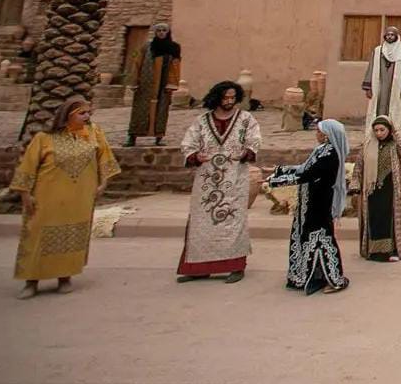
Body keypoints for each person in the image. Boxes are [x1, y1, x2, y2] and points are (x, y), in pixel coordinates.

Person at [10, 97, 120, 299]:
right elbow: (27, 166)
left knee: (73, 236)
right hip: (47, 197)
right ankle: (31, 282)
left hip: (80, 198)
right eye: (82, 113)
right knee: (37, 235)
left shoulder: (93, 134)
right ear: (68, 115)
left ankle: (64, 277)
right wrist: (25, 194)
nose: (87, 117)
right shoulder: (45, 138)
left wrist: (103, 183)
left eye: (88, 113)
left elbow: (105, 158)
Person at [175, 81, 260, 283]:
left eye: (232, 97)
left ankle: (235, 266)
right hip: (207, 180)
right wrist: (195, 156)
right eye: (225, 98)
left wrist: (246, 152)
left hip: (234, 178)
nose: (229, 101)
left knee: (232, 222)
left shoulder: (246, 119)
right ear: (217, 98)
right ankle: (199, 267)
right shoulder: (202, 121)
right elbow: (188, 143)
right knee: (201, 223)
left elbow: (254, 140)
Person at [264, 119, 350, 295]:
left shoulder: (330, 154)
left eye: (319, 131)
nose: (316, 134)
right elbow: (303, 169)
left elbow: (308, 175)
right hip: (309, 201)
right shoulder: (321, 151)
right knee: (306, 236)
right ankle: (308, 275)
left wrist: (275, 181)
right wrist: (280, 170)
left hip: (320, 202)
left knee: (322, 238)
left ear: (326, 135)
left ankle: (335, 279)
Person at [358, 116, 401, 262]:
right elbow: (359, 166)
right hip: (371, 190)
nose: (379, 133)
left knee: (389, 219)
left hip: (390, 189)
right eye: (376, 130)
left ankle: (390, 251)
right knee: (374, 219)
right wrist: (355, 184)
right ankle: (374, 251)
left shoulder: (395, 146)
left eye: (382, 130)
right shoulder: (368, 145)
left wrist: (396, 131)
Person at [125, 22, 181, 146]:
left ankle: (159, 137)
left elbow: (175, 66)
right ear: (155, 32)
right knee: (139, 110)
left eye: (164, 30)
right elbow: (137, 63)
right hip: (146, 84)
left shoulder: (173, 48)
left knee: (161, 111)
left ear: (168, 32)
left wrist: (171, 83)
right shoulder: (147, 47)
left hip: (163, 85)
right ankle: (132, 136)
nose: (161, 33)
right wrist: (134, 81)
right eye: (159, 30)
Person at [362, 25, 401, 148]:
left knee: (393, 111)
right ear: (385, 36)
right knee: (376, 109)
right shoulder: (377, 51)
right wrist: (368, 87)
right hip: (378, 87)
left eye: (392, 35)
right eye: (388, 35)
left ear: (396, 36)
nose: (390, 37)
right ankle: (375, 135)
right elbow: (370, 68)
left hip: (394, 89)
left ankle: (393, 136)